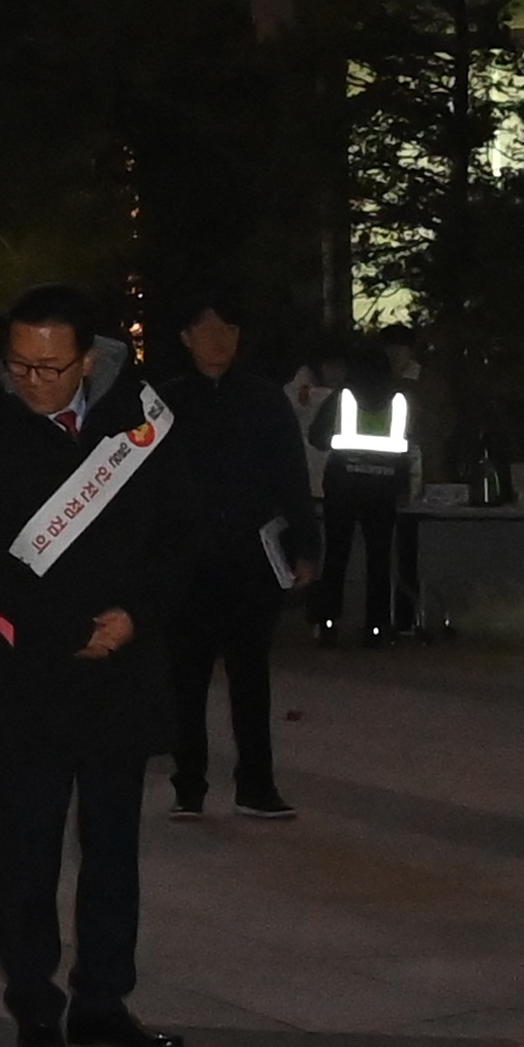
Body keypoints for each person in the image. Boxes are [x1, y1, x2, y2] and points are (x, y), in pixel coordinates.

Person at [0, 288, 194, 1047]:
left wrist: (134, 615)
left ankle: (104, 998)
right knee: (28, 847)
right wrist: (61, 626)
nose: (32, 380)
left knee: (113, 847)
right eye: (19, 364)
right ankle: (34, 1002)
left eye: (50, 367)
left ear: (89, 360)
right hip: (30, 670)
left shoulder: (142, 421)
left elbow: (179, 532)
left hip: (121, 670)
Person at [150, 296, 310, 820]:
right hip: (186, 563)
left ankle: (256, 785)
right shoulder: (162, 402)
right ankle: (188, 785)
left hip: (249, 559)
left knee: (251, 678)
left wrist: (305, 548)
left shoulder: (264, 400)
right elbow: (142, 485)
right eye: (207, 330)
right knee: (186, 679)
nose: (219, 341)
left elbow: (292, 477)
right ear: (185, 338)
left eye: (229, 330)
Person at [317, 330, 425, 642]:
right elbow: (410, 443)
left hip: (342, 488)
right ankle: (377, 627)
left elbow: (317, 437)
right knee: (379, 559)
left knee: (336, 555)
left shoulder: (341, 398)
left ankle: (327, 624)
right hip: (383, 490)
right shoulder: (400, 401)